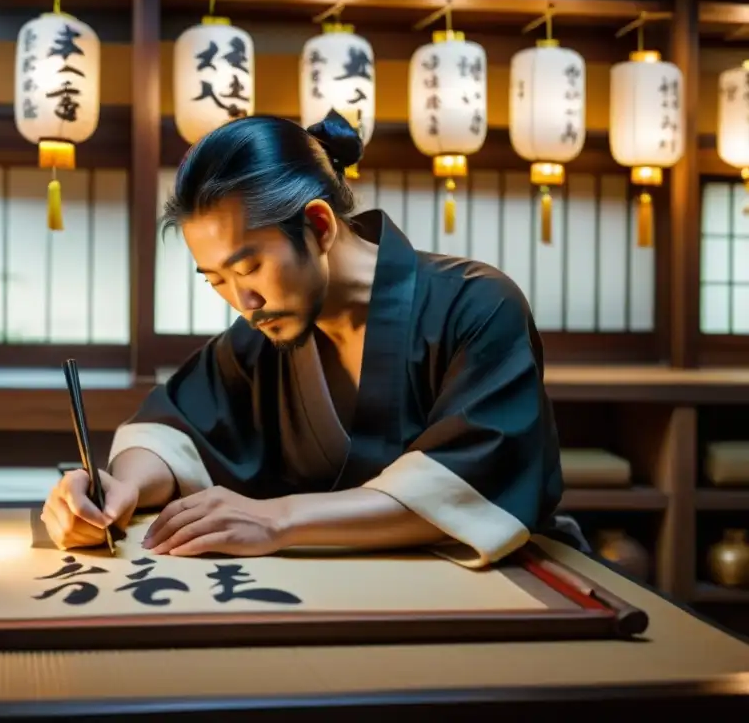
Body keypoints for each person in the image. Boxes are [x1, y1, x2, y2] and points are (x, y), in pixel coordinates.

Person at [42, 110, 567, 569]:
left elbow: (471, 481)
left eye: (249, 267)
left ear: (318, 227)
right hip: (334, 591)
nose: (242, 302)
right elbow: (174, 429)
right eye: (217, 281)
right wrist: (123, 489)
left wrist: (281, 519)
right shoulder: (265, 337)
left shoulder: (476, 306)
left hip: (488, 591)